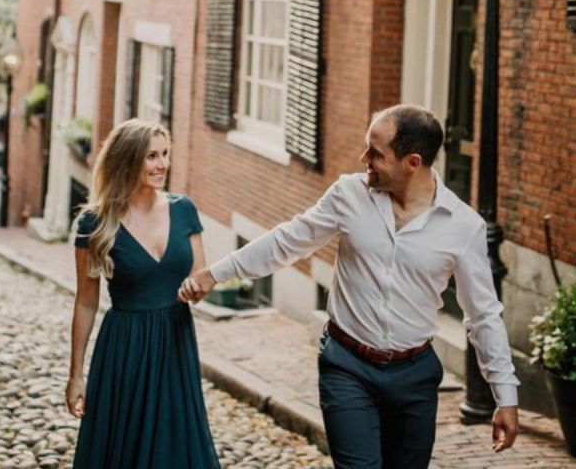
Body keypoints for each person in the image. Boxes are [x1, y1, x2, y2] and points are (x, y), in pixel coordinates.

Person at [178, 104, 520, 469]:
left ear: (412, 162)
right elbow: (287, 242)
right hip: (348, 366)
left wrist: (505, 395)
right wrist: (214, 273)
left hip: (414, 376)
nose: (364, 158)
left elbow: (483, 315)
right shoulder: (349, 195)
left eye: (376, 153)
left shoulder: (463, 227)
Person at [67, 119, 221, 469]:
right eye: (152, 156)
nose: (162, 164)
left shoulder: (184, 210)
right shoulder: (95, 223)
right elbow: (86, 302)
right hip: (125, 346)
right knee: (125, 446)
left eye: (165, 154)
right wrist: (76, 374)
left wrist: (195, 289)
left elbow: (200, 277)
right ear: (128, 159)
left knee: (174, 442)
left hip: (174, 342)